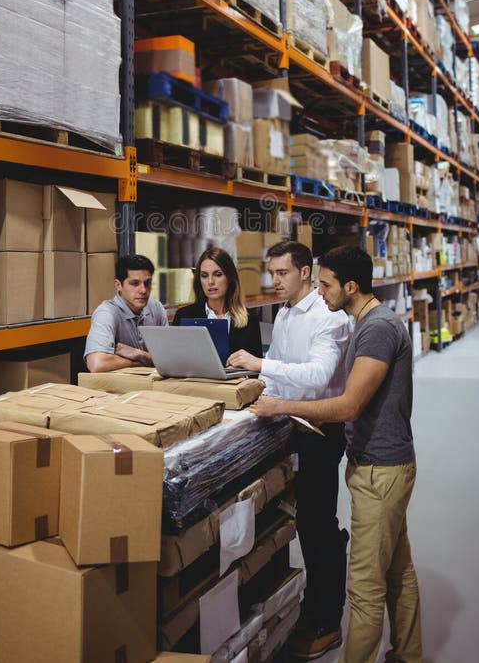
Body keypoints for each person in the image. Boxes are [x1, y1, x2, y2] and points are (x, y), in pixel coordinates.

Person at [251, 245, 423, 663]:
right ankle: (408, 654)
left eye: (326, 285)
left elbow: (349, 405)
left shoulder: (377, 329)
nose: (321, 293)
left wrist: (282, 406)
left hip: (381, 470)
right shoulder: (365, 323)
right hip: (380, 463)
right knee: (398, 571)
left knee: (364, 588)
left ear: (350, 286)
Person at [227, 240, 351, 659]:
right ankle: (295, 607)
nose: (274, 281)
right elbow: (279, 375)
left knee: (319, 529)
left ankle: (327, 620)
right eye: (271, 273)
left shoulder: (327, 317)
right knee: (289, 524)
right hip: (286, 426)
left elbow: (317, 377)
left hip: (320, 432)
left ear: (305, 272)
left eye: (282, 273)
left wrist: (261, 365)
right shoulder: (281, 315)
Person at [172, 246, 263, 359]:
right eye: (204, 276)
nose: (210, 282)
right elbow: (176, 361)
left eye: (218, 274)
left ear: (229, 277)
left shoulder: (250, 319)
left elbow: (256, 369)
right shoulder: (184, 316)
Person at [84, 253, 168, 373]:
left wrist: (139, 354)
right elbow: (97, 364)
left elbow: (169, 360)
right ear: (118, 285)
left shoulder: (156, 308)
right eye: (135, 283)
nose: (143, 290)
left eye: (147, 283)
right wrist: (143, 361)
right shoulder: (106, 313)